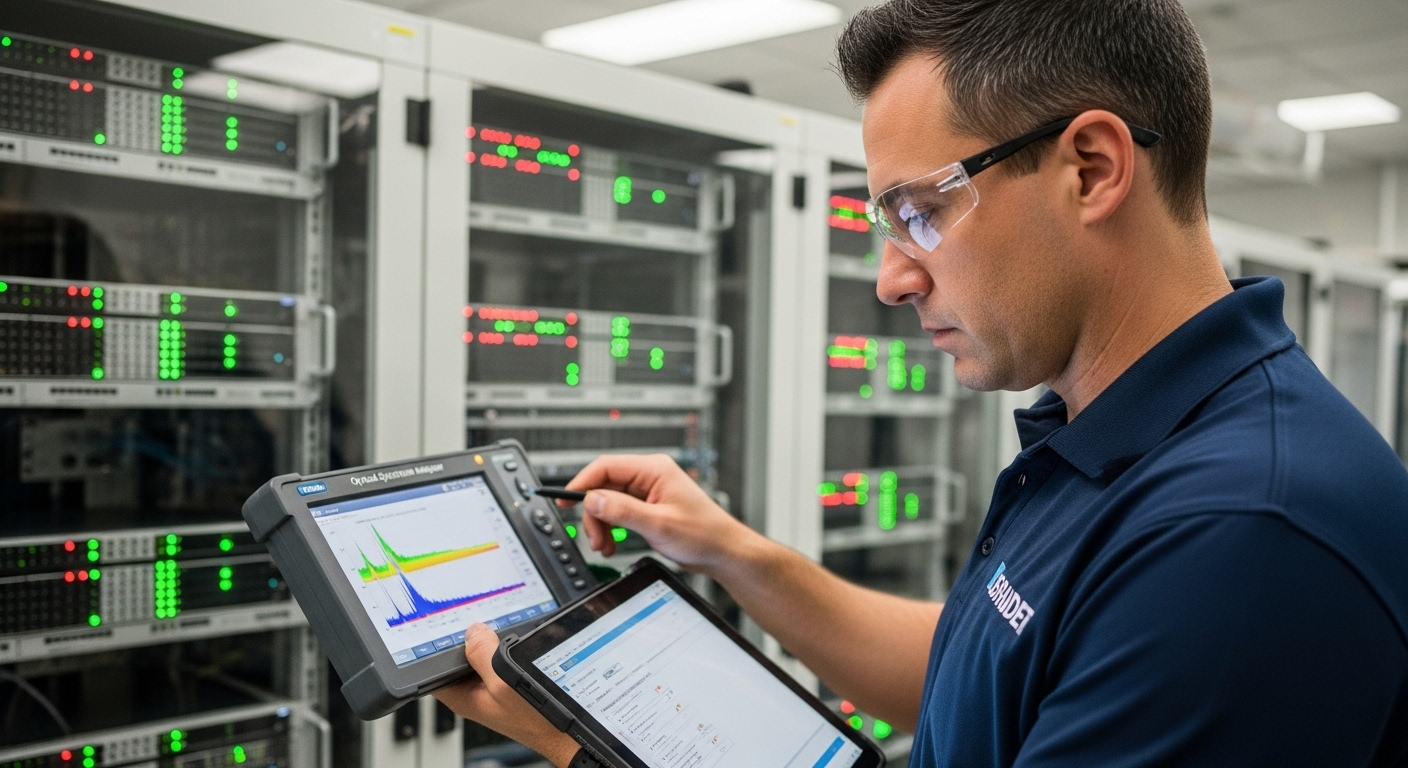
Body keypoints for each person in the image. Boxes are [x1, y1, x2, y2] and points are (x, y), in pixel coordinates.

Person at [435, 0, 1408, 765]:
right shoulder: (1116, 435)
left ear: (1091, 167)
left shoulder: (1240, 532)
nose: (893, 278)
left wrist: (584, 744)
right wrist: (732, 553)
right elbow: (986, 669)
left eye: (918, 210)